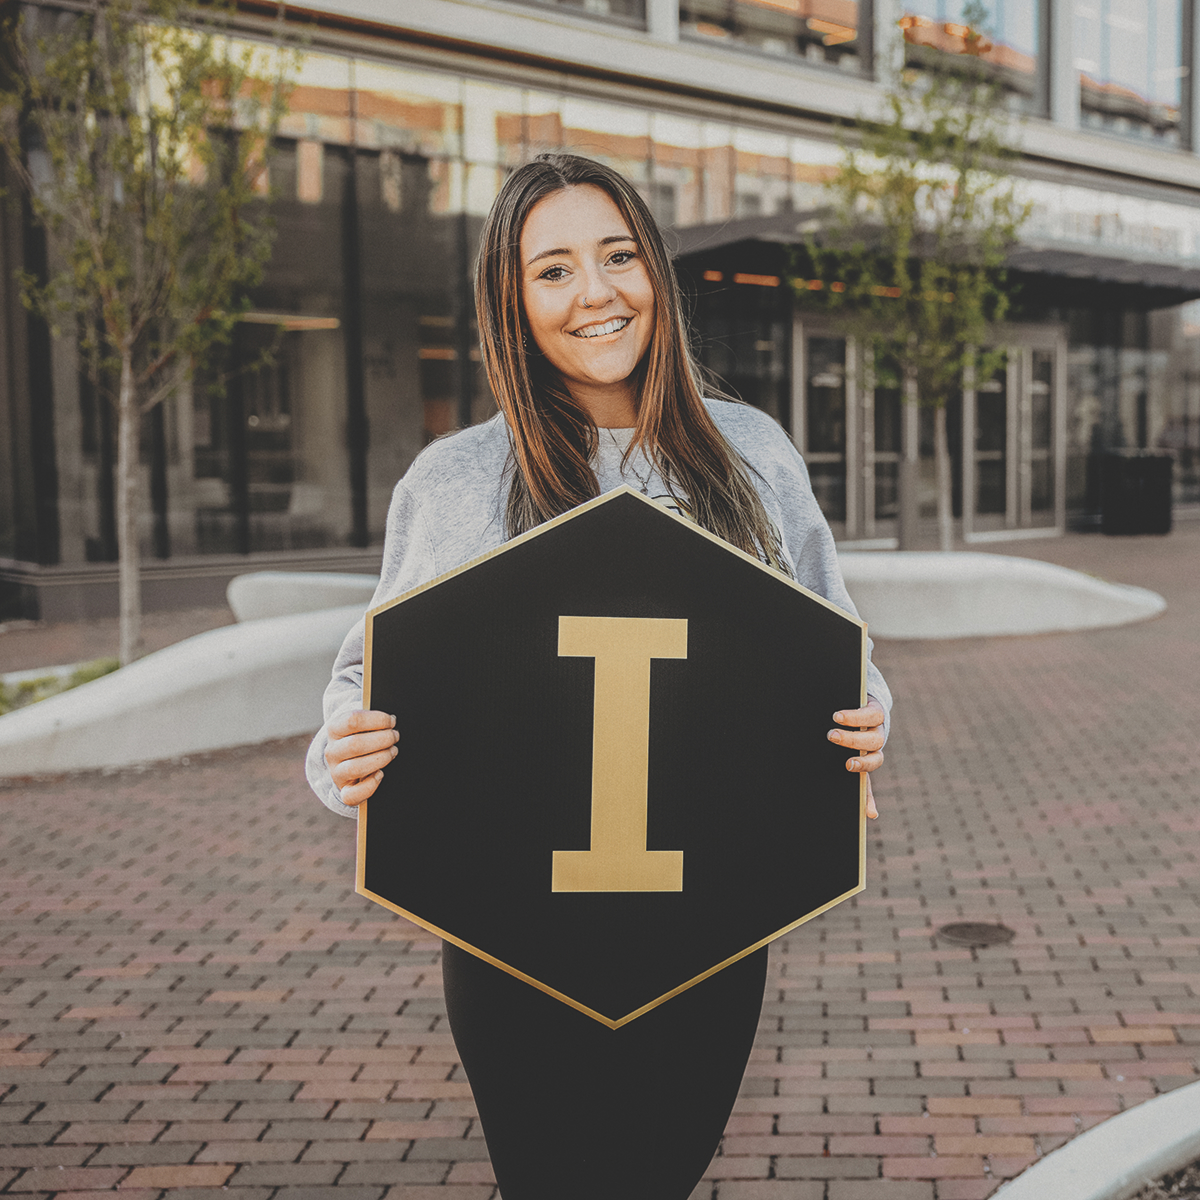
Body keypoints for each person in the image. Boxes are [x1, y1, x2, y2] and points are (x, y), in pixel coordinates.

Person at [307, 152, 891, 1200]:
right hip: (512, 936)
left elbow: (832, 641)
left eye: (619, 257)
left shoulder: (753, 453)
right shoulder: (455, 480)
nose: (597, 293)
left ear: (657, 273)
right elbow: (367, 675)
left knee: (658, 1178)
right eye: (554, 270)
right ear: (511, 302)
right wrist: (341, 746)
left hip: (710, 926)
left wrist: (866, 717)